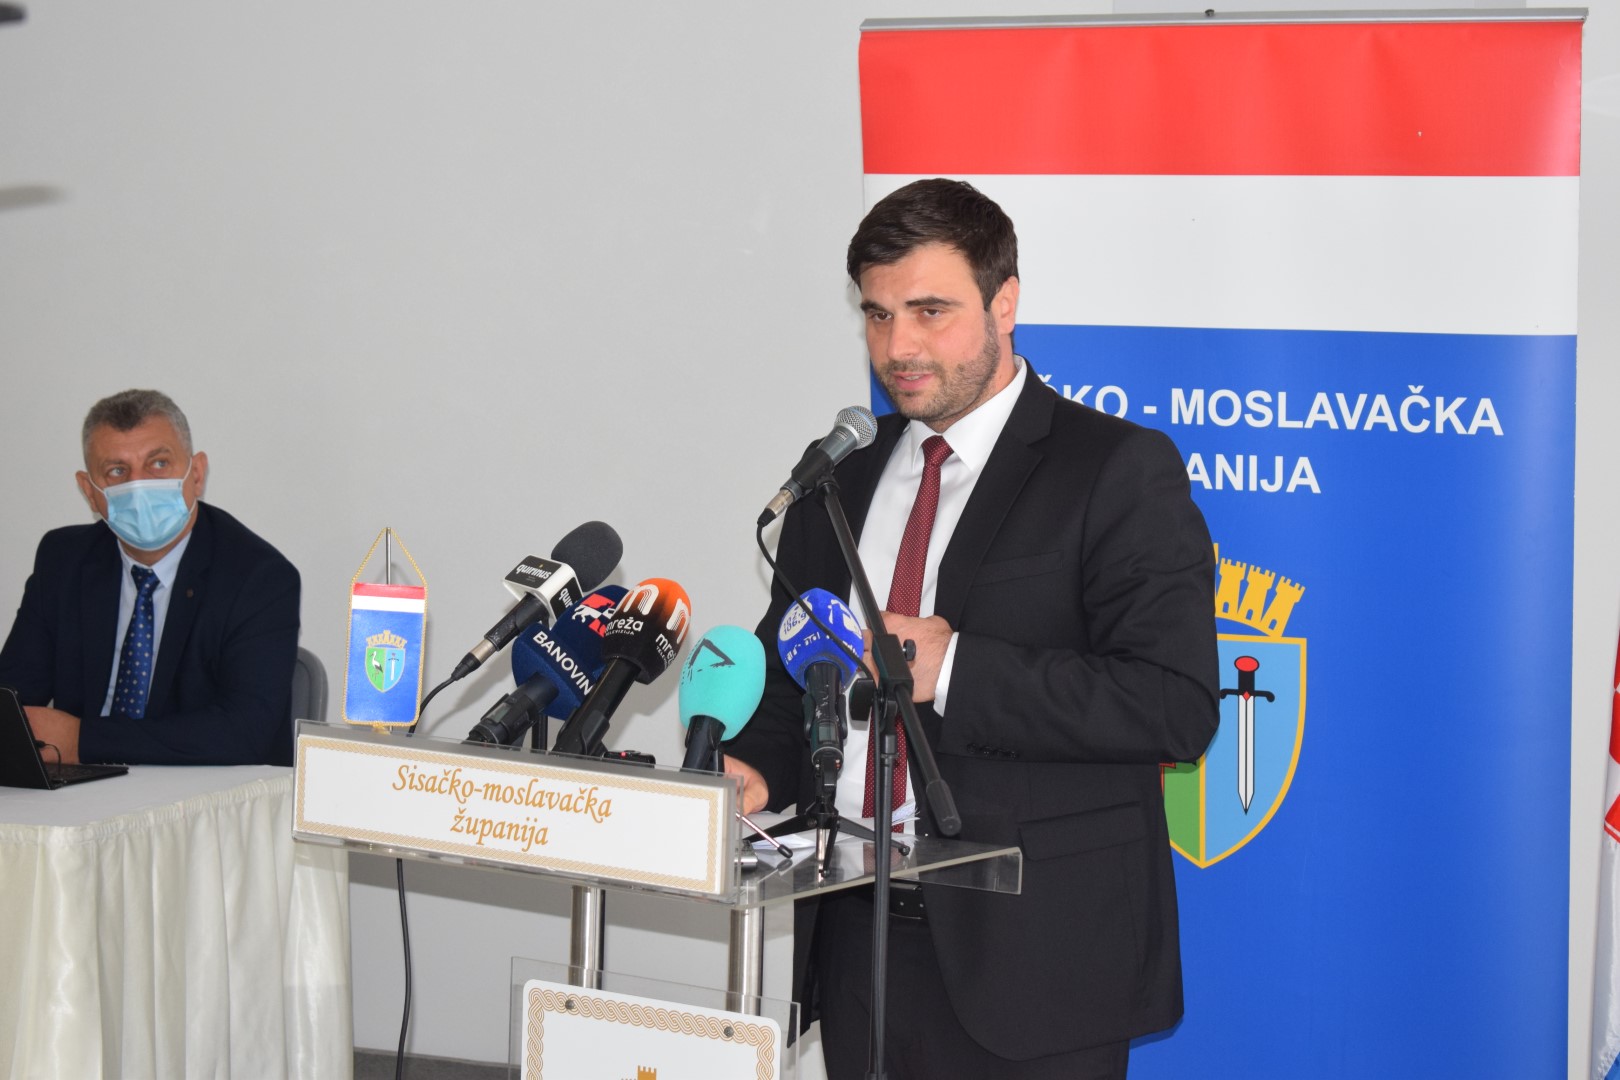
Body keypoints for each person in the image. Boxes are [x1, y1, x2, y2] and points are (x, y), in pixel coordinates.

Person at [723, 179, 1220, 1079]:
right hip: (855, 937)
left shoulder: (1114, 469)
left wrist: (954, 668)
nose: (897, 347)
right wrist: (754, 766)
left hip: (1038, 960)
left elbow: (1173, 705)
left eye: (930, 311)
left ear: (1005, 303)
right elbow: (796, 684)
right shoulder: (839, 481)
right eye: (877, 315)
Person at [0, 389, 300, 766]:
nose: (138, 486)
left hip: (201, 793)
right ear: (89, 492)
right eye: (117, 471)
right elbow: (11, 700)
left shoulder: (259, 578)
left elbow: (245, 733)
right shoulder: (64, 560)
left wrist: (83, 741)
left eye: (159, 463)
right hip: (81, 791)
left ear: (196, 474)